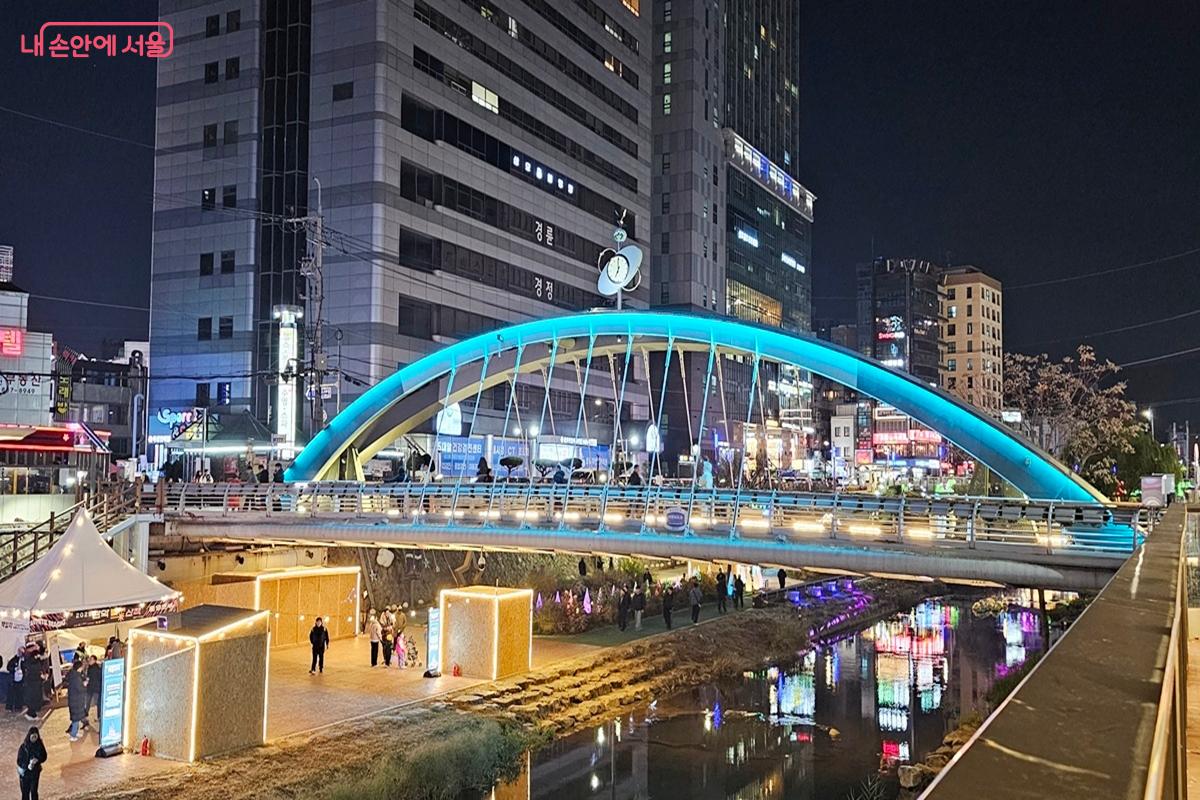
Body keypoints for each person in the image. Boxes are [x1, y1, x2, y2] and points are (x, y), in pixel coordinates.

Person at [17, 726, 46, 800]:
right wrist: (27, 765)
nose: (34, 739)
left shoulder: (40, 745)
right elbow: (19, 761)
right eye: (32, 737)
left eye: (35, 737)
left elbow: (44, 756)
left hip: (35, 772)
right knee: (25, 793)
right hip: (25, 774)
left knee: (34, 791)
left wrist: (38, 760)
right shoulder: (24, 746)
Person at [65, 661, 87, 741]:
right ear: (79, 668)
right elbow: (80, 689)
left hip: (73, 700)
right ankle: (73, 735)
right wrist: (84, 685)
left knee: (76, 718)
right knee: (76, 719)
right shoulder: (77, 677)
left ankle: (75, 732)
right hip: (76, 701)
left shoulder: (73, 675)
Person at [21, 647, 43, 722]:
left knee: (35, 699)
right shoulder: (31, 662)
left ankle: (33, 714)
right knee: (32, 699)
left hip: (35, 683)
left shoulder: (34, 661)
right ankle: (30, 714)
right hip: (32, 684)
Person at [6, 646, 24, 713]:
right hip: (13, 679)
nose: (21, 653)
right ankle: (9, 707)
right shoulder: (14, 659)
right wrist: (14, 669)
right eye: (20, 651)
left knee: (19, 694)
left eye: (22, 652)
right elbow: (8, 667)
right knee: (11, 694)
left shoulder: (23, 660)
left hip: (21, 679)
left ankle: (18, 707)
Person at [85, 656, 102, 725]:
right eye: (89, 659)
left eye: (91, 659)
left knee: (97, 703)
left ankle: (99, 717)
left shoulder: (97, 668)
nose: (90, 661)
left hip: (95, 688)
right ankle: (85, 715)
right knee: (88, 702)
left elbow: (98, 678)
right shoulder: (90, 667)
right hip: (91, 688)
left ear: (95, 660)